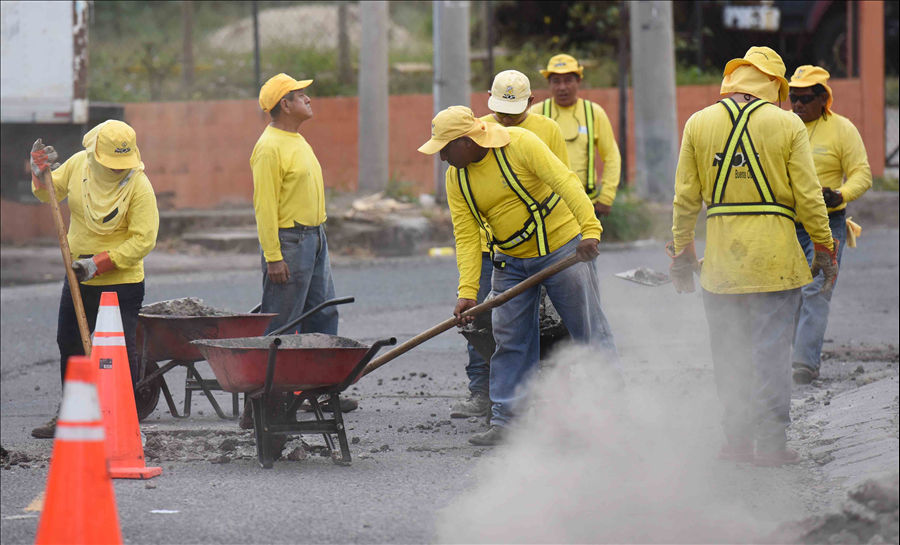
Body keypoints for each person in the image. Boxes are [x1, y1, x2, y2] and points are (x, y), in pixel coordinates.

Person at [669, 47, 838, 467]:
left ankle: (736, 442)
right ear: (775, 86)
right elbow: (809, 198)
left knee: (729, 353)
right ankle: (772, 446)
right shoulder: (787, 124)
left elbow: (685, 200)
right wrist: (825, 248)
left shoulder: (698, 123)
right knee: (772, 353)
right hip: (776, 263)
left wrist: (682, 252)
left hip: (722, 266)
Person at [419, 106, 623, 445]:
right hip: (510, 261)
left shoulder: (521, 144)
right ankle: (506, 422)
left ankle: (615, 412)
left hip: (561, 248)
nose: (441, 157)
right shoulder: (457, 176)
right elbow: (467, 235)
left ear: (467, 141)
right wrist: (467, 291)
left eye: (445, 148)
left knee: (588, 329)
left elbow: (566, 182)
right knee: (509, 337)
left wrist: (589, 229)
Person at [448, 70, 571, 420]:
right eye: (500, 110)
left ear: (531, 102)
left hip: (549, 246)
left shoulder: (546, 130)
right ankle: (485, 394)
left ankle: (553, 395)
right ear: (488, 99)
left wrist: (579, 237)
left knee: (553, 324)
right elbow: (466, 223)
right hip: (497, 250)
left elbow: (563, 182)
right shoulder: (476, 132)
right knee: (490, 325)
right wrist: (467, 286)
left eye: (514, 111)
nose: (506, 118)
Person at [29, 120, 159, 439]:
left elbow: (144, 240)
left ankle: (120, 419)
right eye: (109, 163)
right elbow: (51, 191)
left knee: (117, 354)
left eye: (121, 164)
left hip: (121, 285)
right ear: (95, 152)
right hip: (77, 279)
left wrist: (98, 264)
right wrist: (37, 171)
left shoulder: (138, 185)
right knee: (70, 344)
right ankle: (73, 414)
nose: (116, 170)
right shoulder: (78, 165)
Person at [249, 73, 356, 418]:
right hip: (290, 242)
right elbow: (264, 207)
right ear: (285, 104)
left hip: (314, 237)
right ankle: (265, 400)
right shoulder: (269, 147)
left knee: (323, 313)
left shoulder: (296, 140)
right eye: (301, 95)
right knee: (282, 323)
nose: (309, 99)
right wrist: (274, 257)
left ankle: (319, 390)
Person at [788, 66, 873, 384]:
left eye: (805, 98)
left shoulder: (842, 130)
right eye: (792, 97)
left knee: (816, 290)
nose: (797, 105)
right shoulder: (782, 127)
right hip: (787, 223)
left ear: (824, 99)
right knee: (786, 291)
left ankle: (803, 365)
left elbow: (862, 174)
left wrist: (840, 195)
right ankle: (789, 355)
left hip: (828, 222)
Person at [532, 54, 621, 217]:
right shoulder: (536, 114)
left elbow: (611, 156)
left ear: (578, 81)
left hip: (586, 204)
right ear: (549, 84)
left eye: (568, 80)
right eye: (556, 82)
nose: (562, 87)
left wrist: (607, 196)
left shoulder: (594, 113)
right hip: (545, 206)